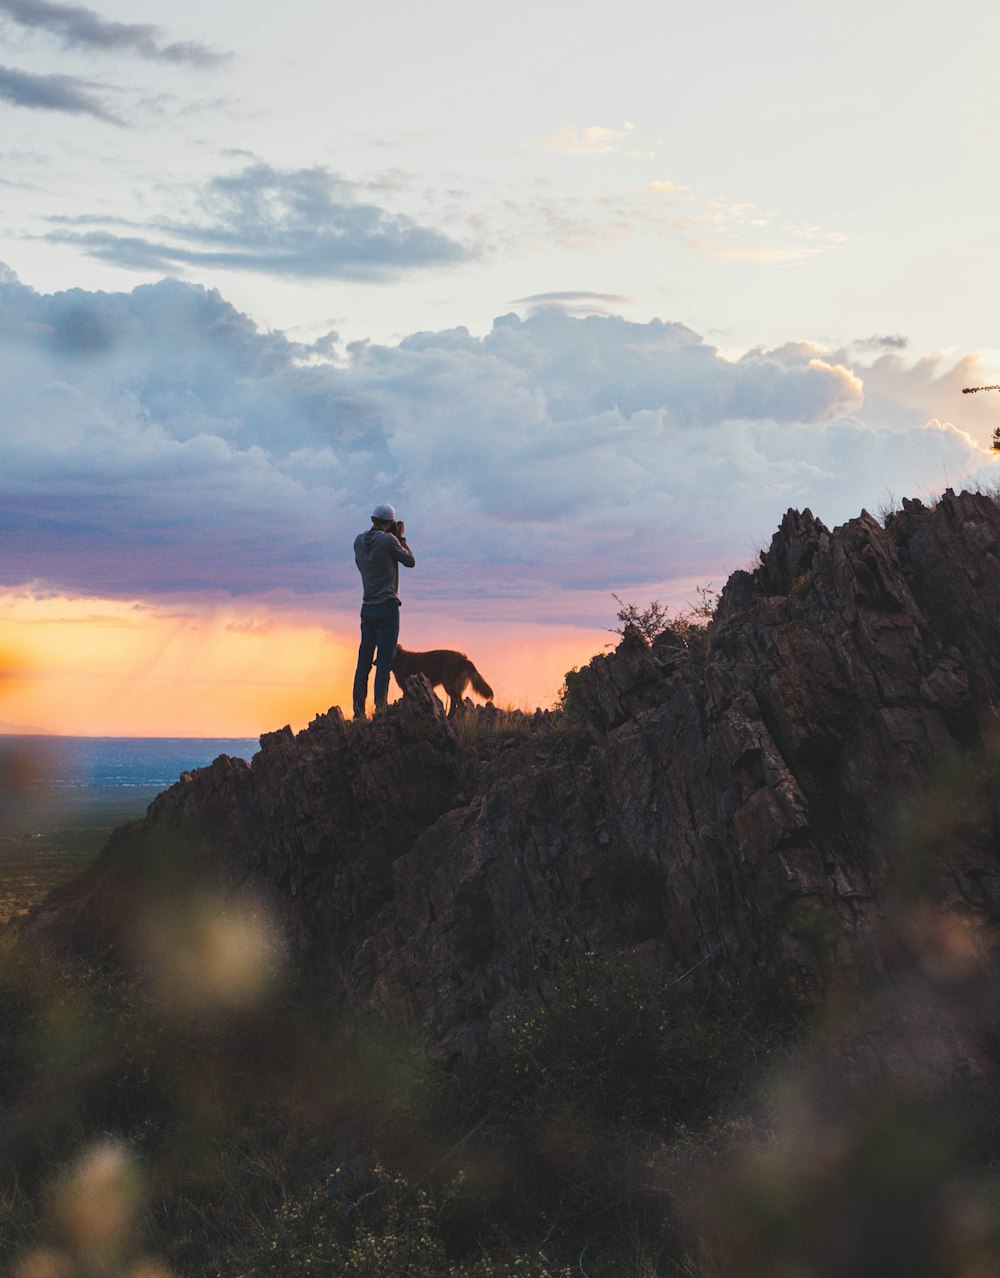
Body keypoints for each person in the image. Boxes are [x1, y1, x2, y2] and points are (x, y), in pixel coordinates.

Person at [352, 502, 415, 718]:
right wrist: (401, 538)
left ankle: (358, 713)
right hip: (387, 607)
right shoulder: (389, 540)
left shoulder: (358, 541)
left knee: (364, 662)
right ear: (390, 523)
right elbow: (410, 561)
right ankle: (380, 711)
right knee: (384, 663)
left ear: (372, 520)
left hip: (366, 606)